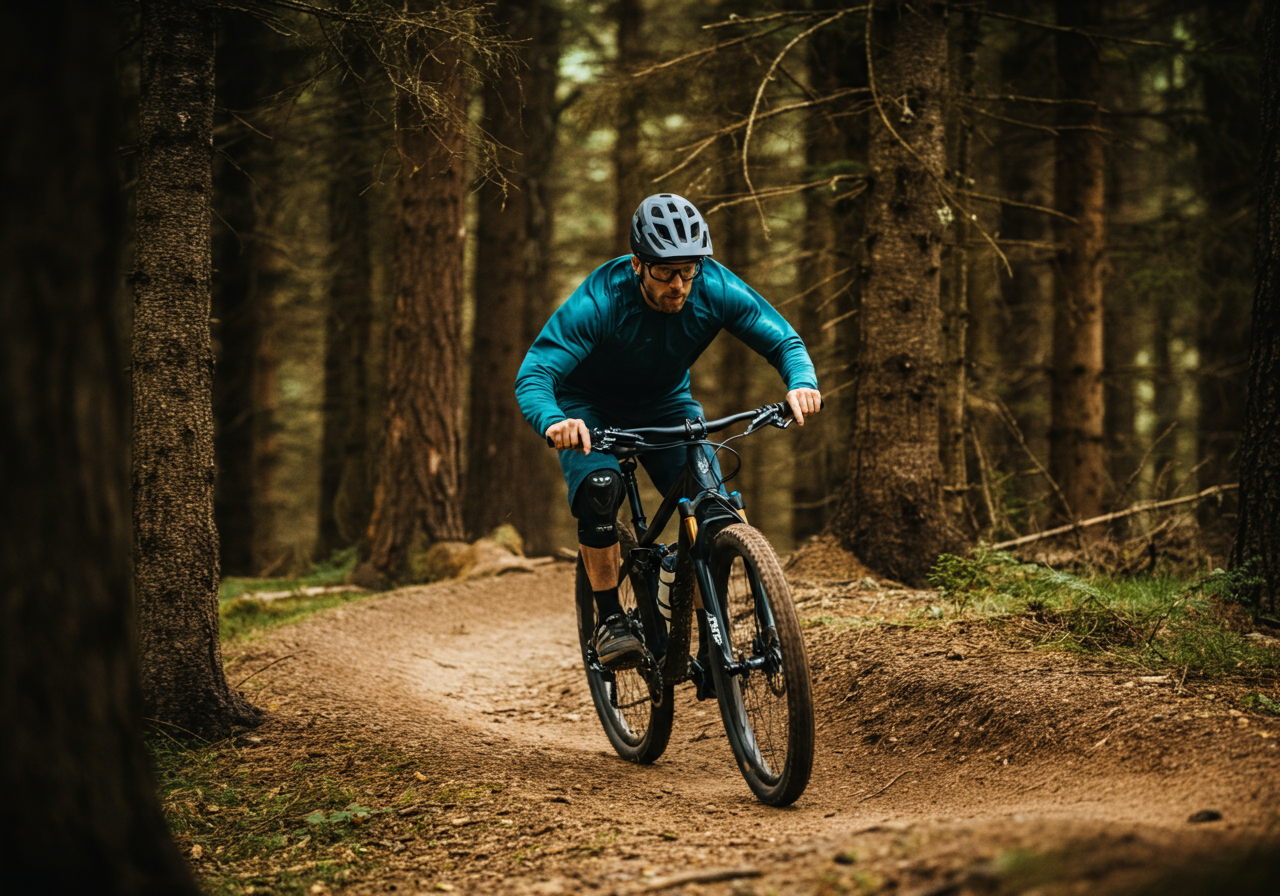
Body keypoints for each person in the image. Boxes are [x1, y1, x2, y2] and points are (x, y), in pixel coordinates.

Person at [515, 193, 822, 670]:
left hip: (666, 404)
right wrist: (555, 420)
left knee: (713, 508)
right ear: (638, 264)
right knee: (601, 487)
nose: (678, 285)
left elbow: (783, 340)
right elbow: (535, 374)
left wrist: (801, 382)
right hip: (587, 407)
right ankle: (610, 620)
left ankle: (710, 639)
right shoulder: (600, 300)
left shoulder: (713, 286)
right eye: (664, 272)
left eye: (688, 270)